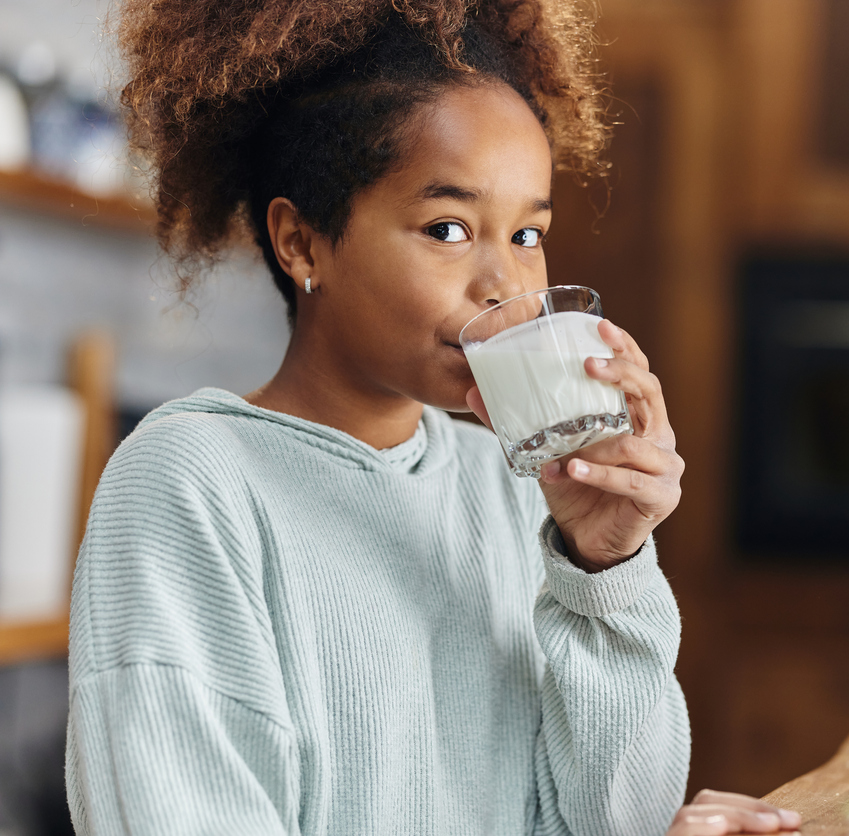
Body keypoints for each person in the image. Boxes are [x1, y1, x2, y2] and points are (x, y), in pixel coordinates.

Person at [67, 1, 802, 834]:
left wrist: (603, 566)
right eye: (447, 228)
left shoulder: (518, 487)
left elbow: (610, 820)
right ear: (302, 244)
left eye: (528, 233)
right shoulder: (190, 484)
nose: (506, 286)